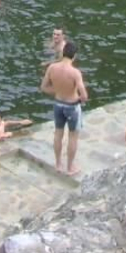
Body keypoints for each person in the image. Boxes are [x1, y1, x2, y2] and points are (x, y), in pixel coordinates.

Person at [39, 40, 89, 175]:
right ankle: (70, 167)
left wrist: (57, 92)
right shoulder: (75, 73)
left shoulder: (52, 68)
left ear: (63, 53)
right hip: (72, 106)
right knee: (73, 136)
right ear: (75, 56)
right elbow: (84, 96)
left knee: (58, 133)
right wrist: (78, 98)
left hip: (58, 103)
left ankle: (58, 164)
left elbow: (44, 87)